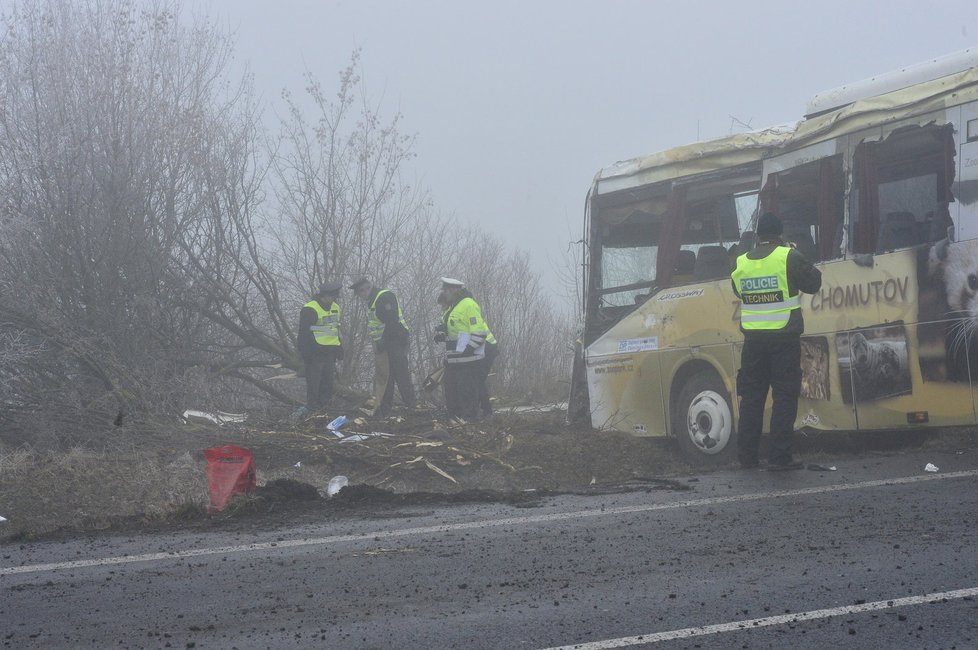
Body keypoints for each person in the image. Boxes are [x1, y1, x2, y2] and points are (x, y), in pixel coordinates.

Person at [730, 212, 822, 470]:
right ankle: (780, 458)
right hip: (783, 339)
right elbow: (814, 283)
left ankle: (747, 457)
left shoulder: (742, 263)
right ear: (779, 234)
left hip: (753, 342)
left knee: (752, 398)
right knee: (784, 396)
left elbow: (737, 289)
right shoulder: (788, 257)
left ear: (758, 236)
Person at [350, 277, 416, 416]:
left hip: (396, 340)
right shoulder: (373, 300)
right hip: (386, 343)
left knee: (400, 373)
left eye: (360, 293)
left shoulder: (384, 297)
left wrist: (383, 341)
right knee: (386, 375)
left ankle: (411, 405)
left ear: (366, 289)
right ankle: (385, 408)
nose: (360, 296)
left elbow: (392, 321)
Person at [436, 277, 497, 421]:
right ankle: (481, 413)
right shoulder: (453, 307)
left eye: (445, 290)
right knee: (470, 381)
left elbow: (477, 331)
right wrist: (443, 336)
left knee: (473, 381)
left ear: (453, 290)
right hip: (468, 347)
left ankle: (482, 414)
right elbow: (458, 332)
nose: (444, 293)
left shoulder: (467, 304)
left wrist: (470, 348)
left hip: (485, 347)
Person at [296, 281, 343, 412]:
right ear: (324, 295)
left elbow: (336, 329)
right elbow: (303, 333)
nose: (334, 299)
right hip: (314, 353)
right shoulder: (310, 309)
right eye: (333, 296)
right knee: (314, 386)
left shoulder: (335, 307)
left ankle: (325, 411)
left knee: (327, 385)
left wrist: (340, 346)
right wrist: (305, 353)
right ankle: (312, 410)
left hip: (330, 353)